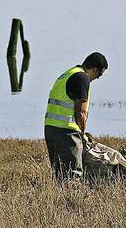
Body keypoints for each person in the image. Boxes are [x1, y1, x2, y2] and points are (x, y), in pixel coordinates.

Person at [44, 52, 108, 182]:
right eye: (100, 74)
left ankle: (57, 200)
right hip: (67, 131)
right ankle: (70, 201)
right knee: (72, 176)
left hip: (51, 129)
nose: (98, 78)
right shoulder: (82, 78)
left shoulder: (68, 73)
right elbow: (81, 112)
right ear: (94, 69)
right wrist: (82, 133)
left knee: (59, 173)